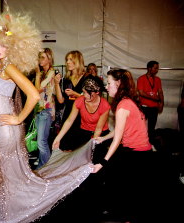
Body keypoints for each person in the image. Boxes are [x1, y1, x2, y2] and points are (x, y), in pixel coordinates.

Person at [0, 12, 94, 223]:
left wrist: (18, 118)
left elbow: (34, 94)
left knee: (9, 175)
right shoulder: (0, 67)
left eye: (2, 45)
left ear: (11, 46)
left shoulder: (9, 67)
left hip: (7, 130)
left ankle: (10, 214)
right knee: (7, 175)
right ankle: (8, 212)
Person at [93, 69, 155, 222]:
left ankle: (124, 215)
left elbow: (118, 137)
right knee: (119, 183)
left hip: (137, 154)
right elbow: (119, 130)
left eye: (109, 83)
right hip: (141, 152)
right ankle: (119, 211)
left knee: (121, 184)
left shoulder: (123, 106)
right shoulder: (127, 101)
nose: (106, 87)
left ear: (118, 83)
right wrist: (103, 138)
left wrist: (102, 163)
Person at [52, 75, 110, 156]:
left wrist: (91, 147)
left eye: (87, 93)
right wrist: (58, 138)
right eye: (83, 92)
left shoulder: (104, 105)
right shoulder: (79, 101)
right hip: (84, 132)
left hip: (100, 134)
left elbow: (98, 129)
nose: (84, 95)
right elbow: (69, 121)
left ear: (97, 92)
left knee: (96, 158)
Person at [54, 50, 86, 150]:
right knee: (66, 147)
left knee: (79, 148)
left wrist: (75, 94)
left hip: (82, 117)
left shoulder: (86, 78)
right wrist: (56, 84)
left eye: (70, 59)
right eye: (67, 60)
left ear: (78, 61)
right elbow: (61, 100)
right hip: (68, 115)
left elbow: (91, 99)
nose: (67, 62)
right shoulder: (66, 79)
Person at [33, 48, 57, 168]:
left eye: (43, 57)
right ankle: (44, 166)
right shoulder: (43, 73)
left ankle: (45, 168)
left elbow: (37, 90)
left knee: (41, 141)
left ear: (49, 59)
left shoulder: (51, 73)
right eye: (39, 57)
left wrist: (37, 75)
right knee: (41, 141)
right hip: (40, 109)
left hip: (46, 110)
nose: (40, 60)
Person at [136, 60, 164, 144]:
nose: (157, 70)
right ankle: (138, 143)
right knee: (140, 127)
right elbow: (141, 93)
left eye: (157, 68)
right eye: (155, 68)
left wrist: (161, 103)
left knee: (151, 128)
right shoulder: (141, 78)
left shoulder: (158, 79)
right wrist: (154, 98)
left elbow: (160, 92)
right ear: (149, 68)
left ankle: (150, 145)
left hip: (154, 108)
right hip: (144, 107)